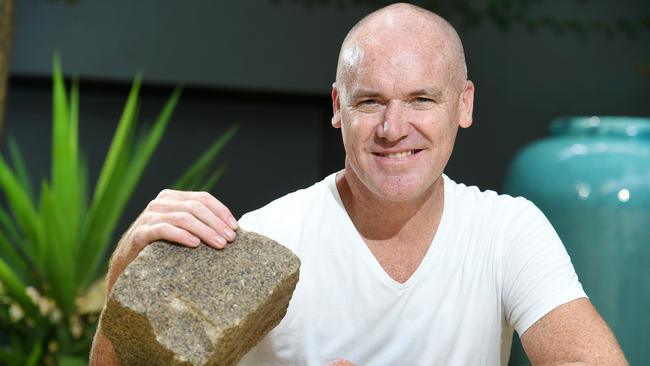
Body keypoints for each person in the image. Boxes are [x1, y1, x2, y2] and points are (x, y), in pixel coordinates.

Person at [90, 3, 627, 365]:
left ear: (463, 104)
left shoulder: (507, 232)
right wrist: (125, 271)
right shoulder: (263, 240)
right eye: (370, 101)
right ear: (337, 108)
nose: (394, 130)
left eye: (421, 99)